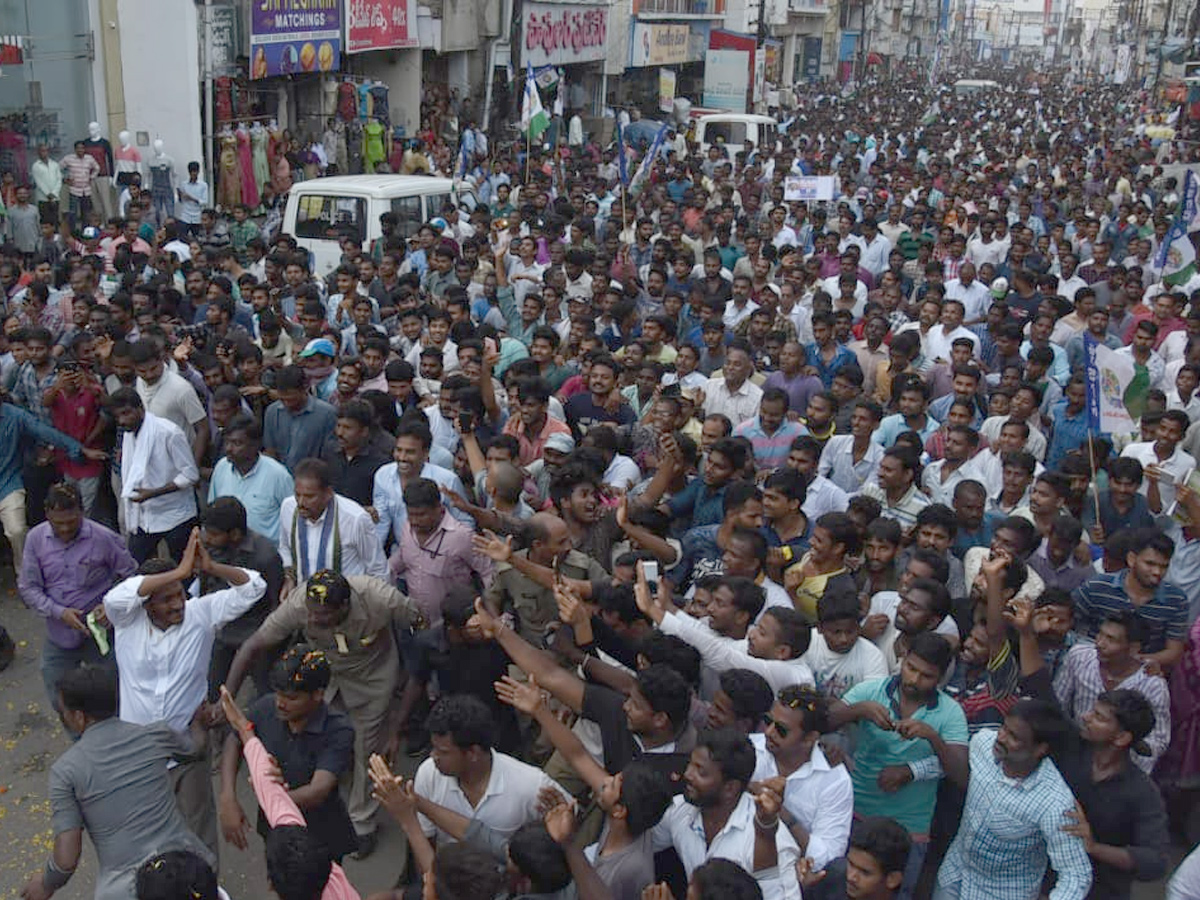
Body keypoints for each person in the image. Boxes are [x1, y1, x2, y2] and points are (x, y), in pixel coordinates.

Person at [223, 570, 425, 857]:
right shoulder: (298, 605)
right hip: (325, 680)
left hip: (373, 679)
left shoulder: (380, 598)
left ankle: (362, 822)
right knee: (333, 742)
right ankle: (335, 789)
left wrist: (409, 677)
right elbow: (254, 645)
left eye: (323, 615)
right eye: (312, 613)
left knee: (367, 749)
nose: (314, 619)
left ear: (345, 606)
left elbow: (418, 622)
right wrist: (226, 696)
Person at [103, 529, 266, 859]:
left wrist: (213, 568)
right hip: (139, 755)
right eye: (166, 599)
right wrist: (178, 570)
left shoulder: (200, 615)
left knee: (198, 832)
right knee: (147, 834)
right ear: (146, 604)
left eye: (180, 593)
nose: (178, 604)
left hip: (188, 750)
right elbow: (115, 598)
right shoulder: (126, 620)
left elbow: (254, 588)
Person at [19, 667, 214, 900]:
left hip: (126, 891)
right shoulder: (155, 735)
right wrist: (198, 725)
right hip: (191, 870)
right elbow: (195, 749)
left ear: (79, 717)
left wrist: (45, 883)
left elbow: (67, 859)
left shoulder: (66, 772)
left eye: (64, 711)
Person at [828, 633, 969, 895]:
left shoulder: (950, 712)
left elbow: (961, 775)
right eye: (911, 668)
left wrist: (932, 737)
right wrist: (859, 710)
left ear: (940, 678)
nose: (914, 679)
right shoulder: (872, 691)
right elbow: (822, 722)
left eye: (926, 675)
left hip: (909, 832)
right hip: (856, 816)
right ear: (902, 660)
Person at [934, 700, 1093, 900]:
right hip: (953, 877)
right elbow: (954, 765)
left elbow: (1076, 875)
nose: (1000, 737)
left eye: (1013, 737)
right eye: (1004, 728)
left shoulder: (1055, 803)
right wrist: (912, 770)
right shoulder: (983, 742)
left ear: (1040, 749)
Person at [218, 685, 362, 900]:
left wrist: (243, 728)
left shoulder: (339, 728)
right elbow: (274, 794)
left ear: (271, 885)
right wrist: (243, 726)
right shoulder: (337, 885)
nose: (280, 703)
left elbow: (304, 793)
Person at [220, 645, 359, 862]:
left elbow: (317, 792)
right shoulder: (267, 708)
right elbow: (236, 737)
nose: (280, 703)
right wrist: (227, 796)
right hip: (276, 831)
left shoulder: (338, 730)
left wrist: (270, 797)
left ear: (318, 695)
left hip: (320, 837)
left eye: (291, 698)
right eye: (278, 694)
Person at [18, 483, 136, 706]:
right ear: (47, 515)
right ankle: (79, 738)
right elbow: (28, 587)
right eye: (58, 523)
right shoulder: (35, 539)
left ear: (82, 512)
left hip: (100, 635)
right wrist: (59, 613)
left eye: (71, 522)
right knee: (58, 693)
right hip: (59, 635)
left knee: (114, 693)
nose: (64, 529)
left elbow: (131, 578)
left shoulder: (103, 538)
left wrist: (109, 606)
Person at [650, 728, 800, 900]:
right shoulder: (679, 809)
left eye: (701, 772)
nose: (687, 775)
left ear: (730, 788)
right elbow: (642, 842)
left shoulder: (774, 845)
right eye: (691, 764)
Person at [412, 694, 571, 842]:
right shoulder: (428, 774)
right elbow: (424, 839)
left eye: (443, 752)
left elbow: (569, 820)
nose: (434, 756)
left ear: (473, 753)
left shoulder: (531, 785)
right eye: (434, 748)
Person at [752, 685, 854, 870]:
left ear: (810, 738)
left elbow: (828, 858)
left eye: (781, 730)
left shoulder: (835, 782)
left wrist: (781, 813)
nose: (768, 732)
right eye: (768, 721)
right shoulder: (749, 747)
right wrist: (750, 788)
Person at [199, 496, 285, 698]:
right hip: (223, 629)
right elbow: (207, 584)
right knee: (213, 690)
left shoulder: (265, 555)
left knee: (266, 691)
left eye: (214, 534)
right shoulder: (211, 548)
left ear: (235, 534)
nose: (208, 538)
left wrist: (266, 641)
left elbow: (276, 602)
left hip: (255, 630)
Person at [1071, 528, 1188, 670]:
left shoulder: (1176, 600)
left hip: (1144, 675)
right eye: (1150, 564)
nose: (1157, 572)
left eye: (1163, 566)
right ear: (1132, 559)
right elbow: (1070, 624)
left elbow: (1174, 652)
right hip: (1092, 667)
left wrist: (1133, 663)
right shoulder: (1097, 587)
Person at [109, 387, 201, 564]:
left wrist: (153, 493)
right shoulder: (128, 434)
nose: (122, 420)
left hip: (176, 516)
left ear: (141, 409)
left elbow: (190, 475)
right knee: (135, 568)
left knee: (184, 571)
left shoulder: (169, 433)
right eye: (117, 417)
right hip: (144, 517)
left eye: (126, 414)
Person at [279, 458, 389, 598]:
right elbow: (285, 547)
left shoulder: (355, 519)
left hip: (346, 605)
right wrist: (289, 577)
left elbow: (378, 569)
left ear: (328, 493)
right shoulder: (288, 508)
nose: (301, 502)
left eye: (309, 496)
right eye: (297, 494)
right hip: (303, 601)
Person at [207, 414, 295, 543]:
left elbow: (294, 521)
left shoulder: (278, 475)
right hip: (229, 554)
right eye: (227, 442)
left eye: (237, 443)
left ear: (255, 445)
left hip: (266, 557)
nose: (228, 449)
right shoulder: (221, 468)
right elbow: (213, 511)